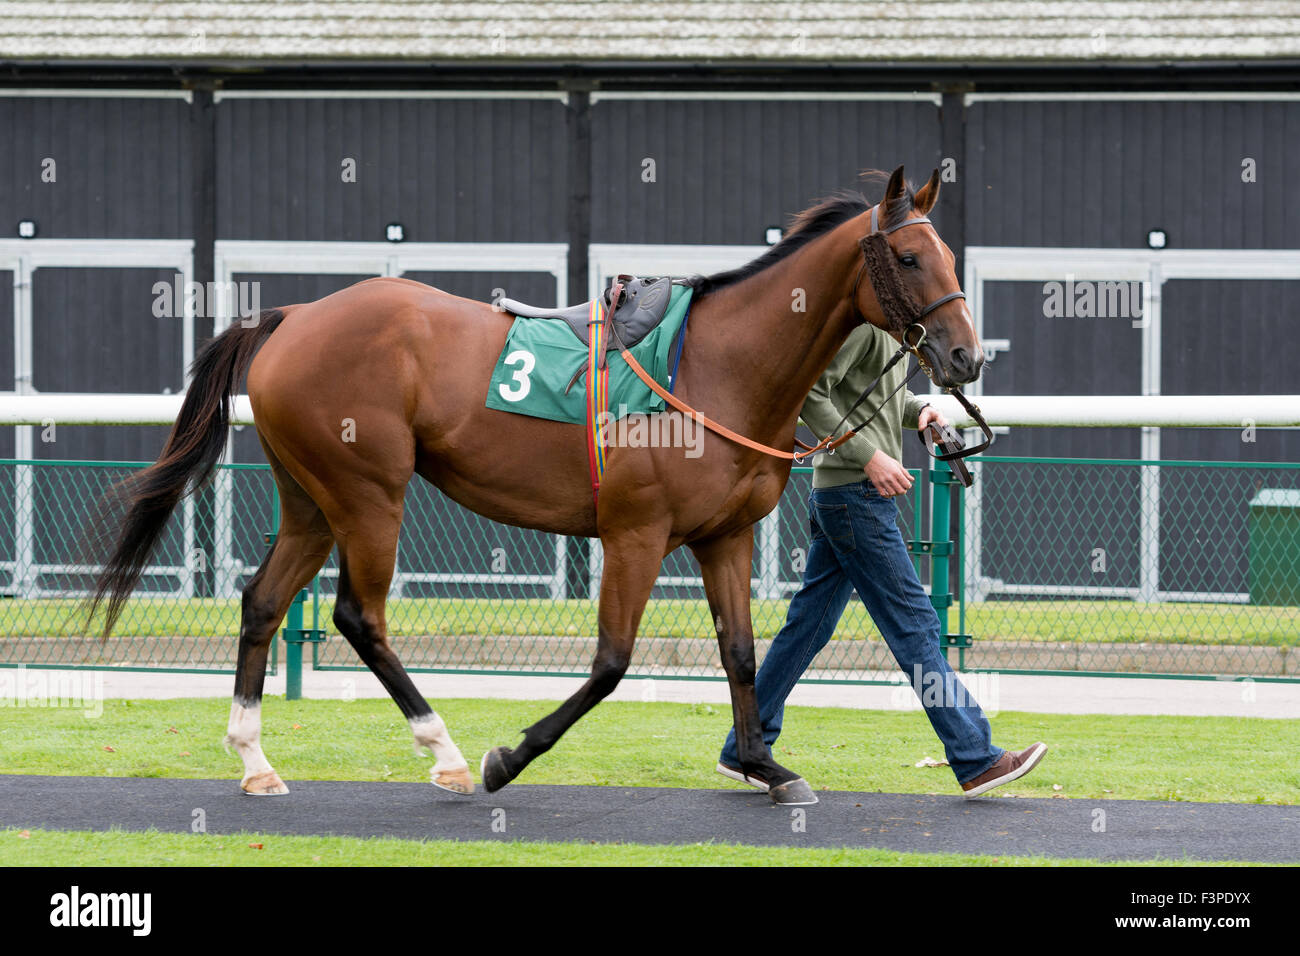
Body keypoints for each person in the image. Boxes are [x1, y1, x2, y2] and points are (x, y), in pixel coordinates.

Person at [718, 323, 1046, 798]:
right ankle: (977, 758)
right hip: (856, 498)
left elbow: (874, 397)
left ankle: (743, 747)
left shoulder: (891, 332)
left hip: (843, 497)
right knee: (914, 625)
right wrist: (870, 456)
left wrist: (921, 408)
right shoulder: (865, 329)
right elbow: (812, 394)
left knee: (807, 627)